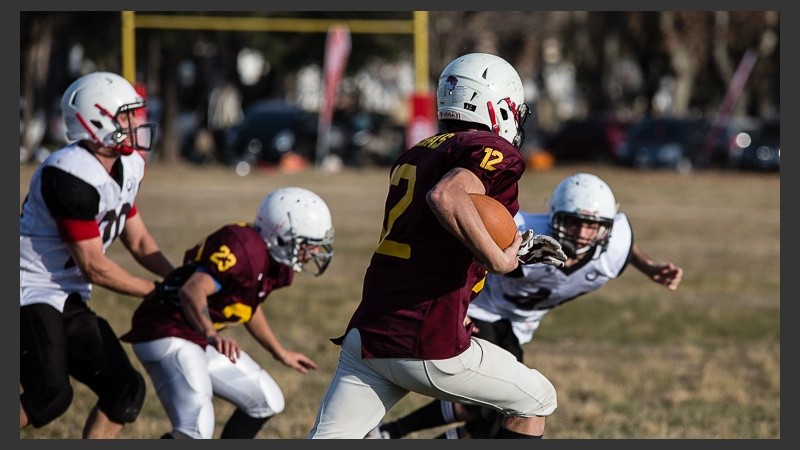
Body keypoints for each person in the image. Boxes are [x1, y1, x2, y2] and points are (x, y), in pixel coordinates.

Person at [307, 52, 568, 440]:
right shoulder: (490, 150)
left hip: (371, 332)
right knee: (537, 399)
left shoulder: (419, 151)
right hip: (425, 339)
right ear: (499, 108)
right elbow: (446, 196)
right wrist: (501, 259)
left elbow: (432, 239)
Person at [366, 172, 684, 439]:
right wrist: (457, 306)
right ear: (555, 217)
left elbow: (625, 248)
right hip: (482, 310)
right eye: (573, 223)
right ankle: (389, 433)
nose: (584, 234)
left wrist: (651, 267)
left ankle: (388, 434)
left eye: (593, 226)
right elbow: (463, 249)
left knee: (492, 422)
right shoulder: (519, 230)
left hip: (519, 325)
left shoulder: (614, 246)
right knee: (503, 401)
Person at [20, 71, 173, 438]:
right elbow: (94, 267)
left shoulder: (130, 164)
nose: (134, 123)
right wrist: (156, 292)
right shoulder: (68, 174)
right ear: (96, 120)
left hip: (66, 294)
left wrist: (175, 278)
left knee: (124, 390)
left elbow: (136, 238)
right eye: (125, 115)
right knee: (49, 396)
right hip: (28, 289)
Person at [120, 187, 335, 439]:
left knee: (267, 400)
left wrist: (279, 352)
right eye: (308, 245)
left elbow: (248, 307)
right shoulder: (242, 248)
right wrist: (212, 334)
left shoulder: (276, 266)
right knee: (196, 428)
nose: (314, 254)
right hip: (168, 330)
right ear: (279, 236)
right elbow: (192, 291)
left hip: (199, 336)